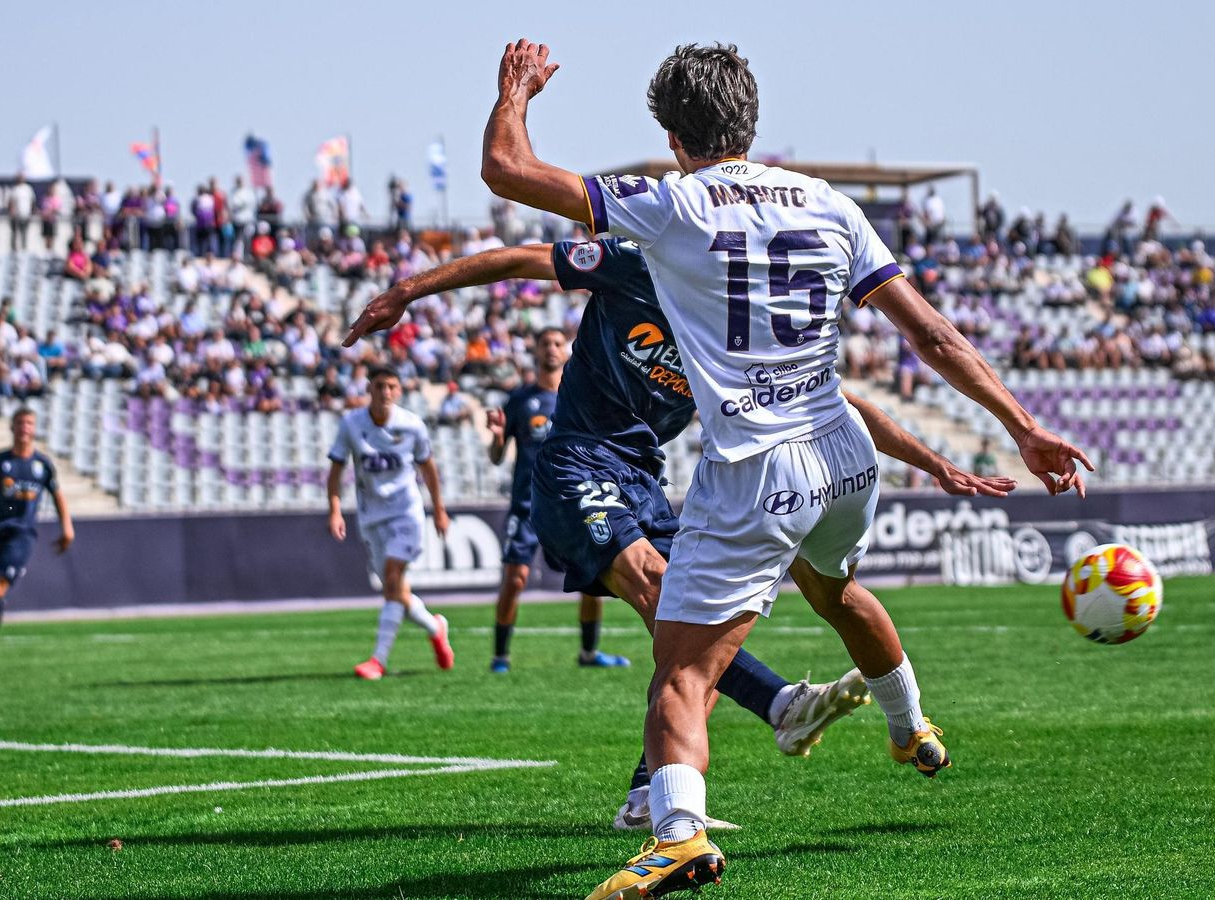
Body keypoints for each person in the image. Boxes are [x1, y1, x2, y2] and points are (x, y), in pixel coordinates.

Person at [479, 40, 1091, 897]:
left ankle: (678, 835)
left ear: (672, 133)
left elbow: (507, 169)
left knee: (682, 672)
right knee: (837, 593)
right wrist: (1023, 428)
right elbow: (933, 335)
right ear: (749, 118)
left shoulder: (673, 205)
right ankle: (910, 727)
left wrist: (515, 92)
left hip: (753, 469)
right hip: (844, 457)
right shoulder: (830, 204)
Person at [345, 236, 1012, 832]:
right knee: (663, 590)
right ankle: (781, 705)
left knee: (697, 630)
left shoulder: (738, 330)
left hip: (644, 477)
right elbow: (520, 258)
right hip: (576, 461)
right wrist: (406, 291)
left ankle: (646, 794)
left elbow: (841, 406)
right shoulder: (637, 265)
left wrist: (933, 462)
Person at [485, 328, 631, 672]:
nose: (550, 349)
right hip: (528, 504)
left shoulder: (580, 398)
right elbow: (496, 456)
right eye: (544, 344)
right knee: (515, 577)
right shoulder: (520, 400)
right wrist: (494, 438)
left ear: (566, 351)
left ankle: (589, 653)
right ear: (535, 352)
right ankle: (500, 657)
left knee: (595, 577)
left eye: (556, 343)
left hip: (572, 503)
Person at [326, 367, 456, 679]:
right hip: (370, 515)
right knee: (396, 592)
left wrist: (439, 509)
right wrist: (334, 510)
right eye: (380, 386)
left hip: (405, 512)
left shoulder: (412, 425)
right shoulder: (351, 424)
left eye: (391, 387)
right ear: (369, 389)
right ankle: (435, 626)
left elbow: (429, 469)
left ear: (399, 392)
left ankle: (378, 661)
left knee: (393, 580)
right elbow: (336, 471)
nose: (385, 392)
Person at [0, 409, 75, 665]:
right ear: (12, 427)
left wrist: (67, 528)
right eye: (20, 423)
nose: (24, 428)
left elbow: (58, 495)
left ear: (35, 428)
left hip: (22, 535)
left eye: (29, 423)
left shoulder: (42, 466)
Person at [8, 174, 35, 253]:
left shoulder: (28, 189)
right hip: (16, 215)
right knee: (15, 233)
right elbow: (11, 202)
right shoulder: (15, 189)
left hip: (26, 215)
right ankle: (14, 250)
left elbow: (32, 201)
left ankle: (24, 249)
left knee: (24, 233)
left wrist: (31, 211)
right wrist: (12, 212)